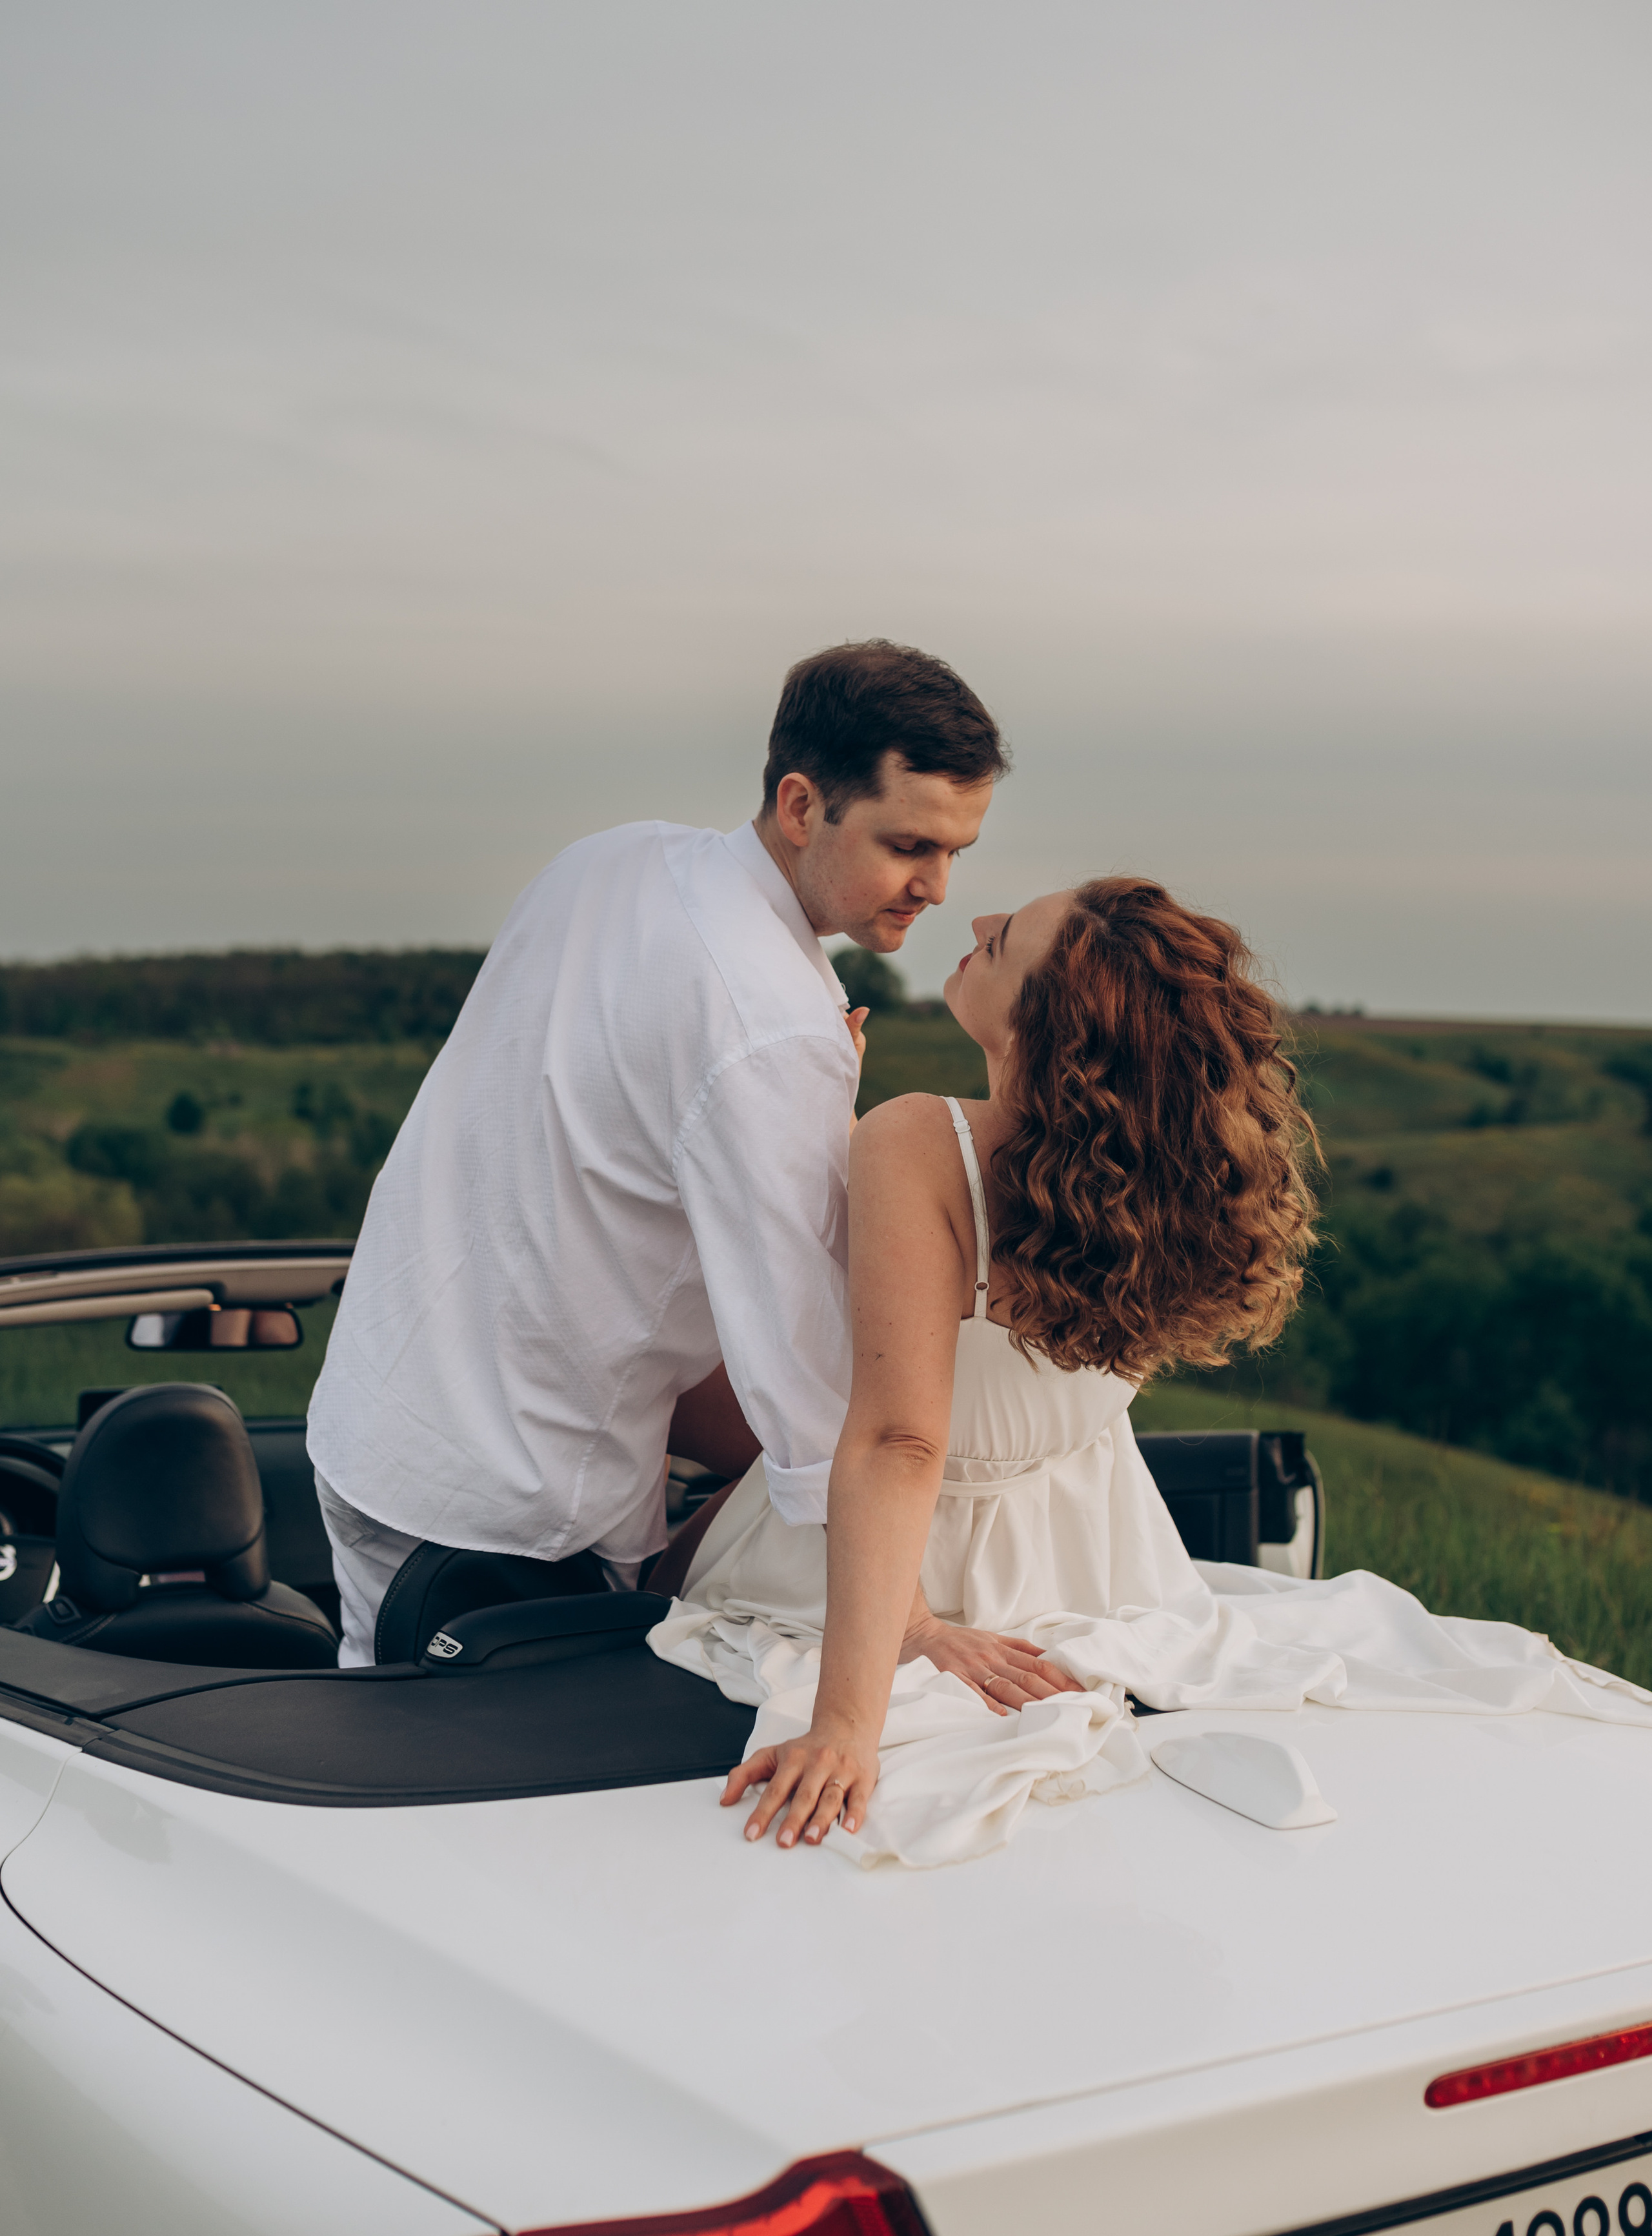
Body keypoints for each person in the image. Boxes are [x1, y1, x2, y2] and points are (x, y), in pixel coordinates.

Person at [652, 879, 1652, 1867]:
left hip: (893, 1549)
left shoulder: (923, 1142)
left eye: (1003, 942)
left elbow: (902, 1441)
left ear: (1049, 1028)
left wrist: (847, 1719)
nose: (979, 919)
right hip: (1087, 1557)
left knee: (658, 1533)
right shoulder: (1146, 1190)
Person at [307, 640, 1007, 1665]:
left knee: (364, 1710)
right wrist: (909, 1624)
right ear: (802, 804)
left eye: (956, 851)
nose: (936, 886)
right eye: (910, 845)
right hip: (509, 1508)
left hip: (378, 1414)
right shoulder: (771, 1024)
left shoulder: (609, 861)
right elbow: (803, 1380)